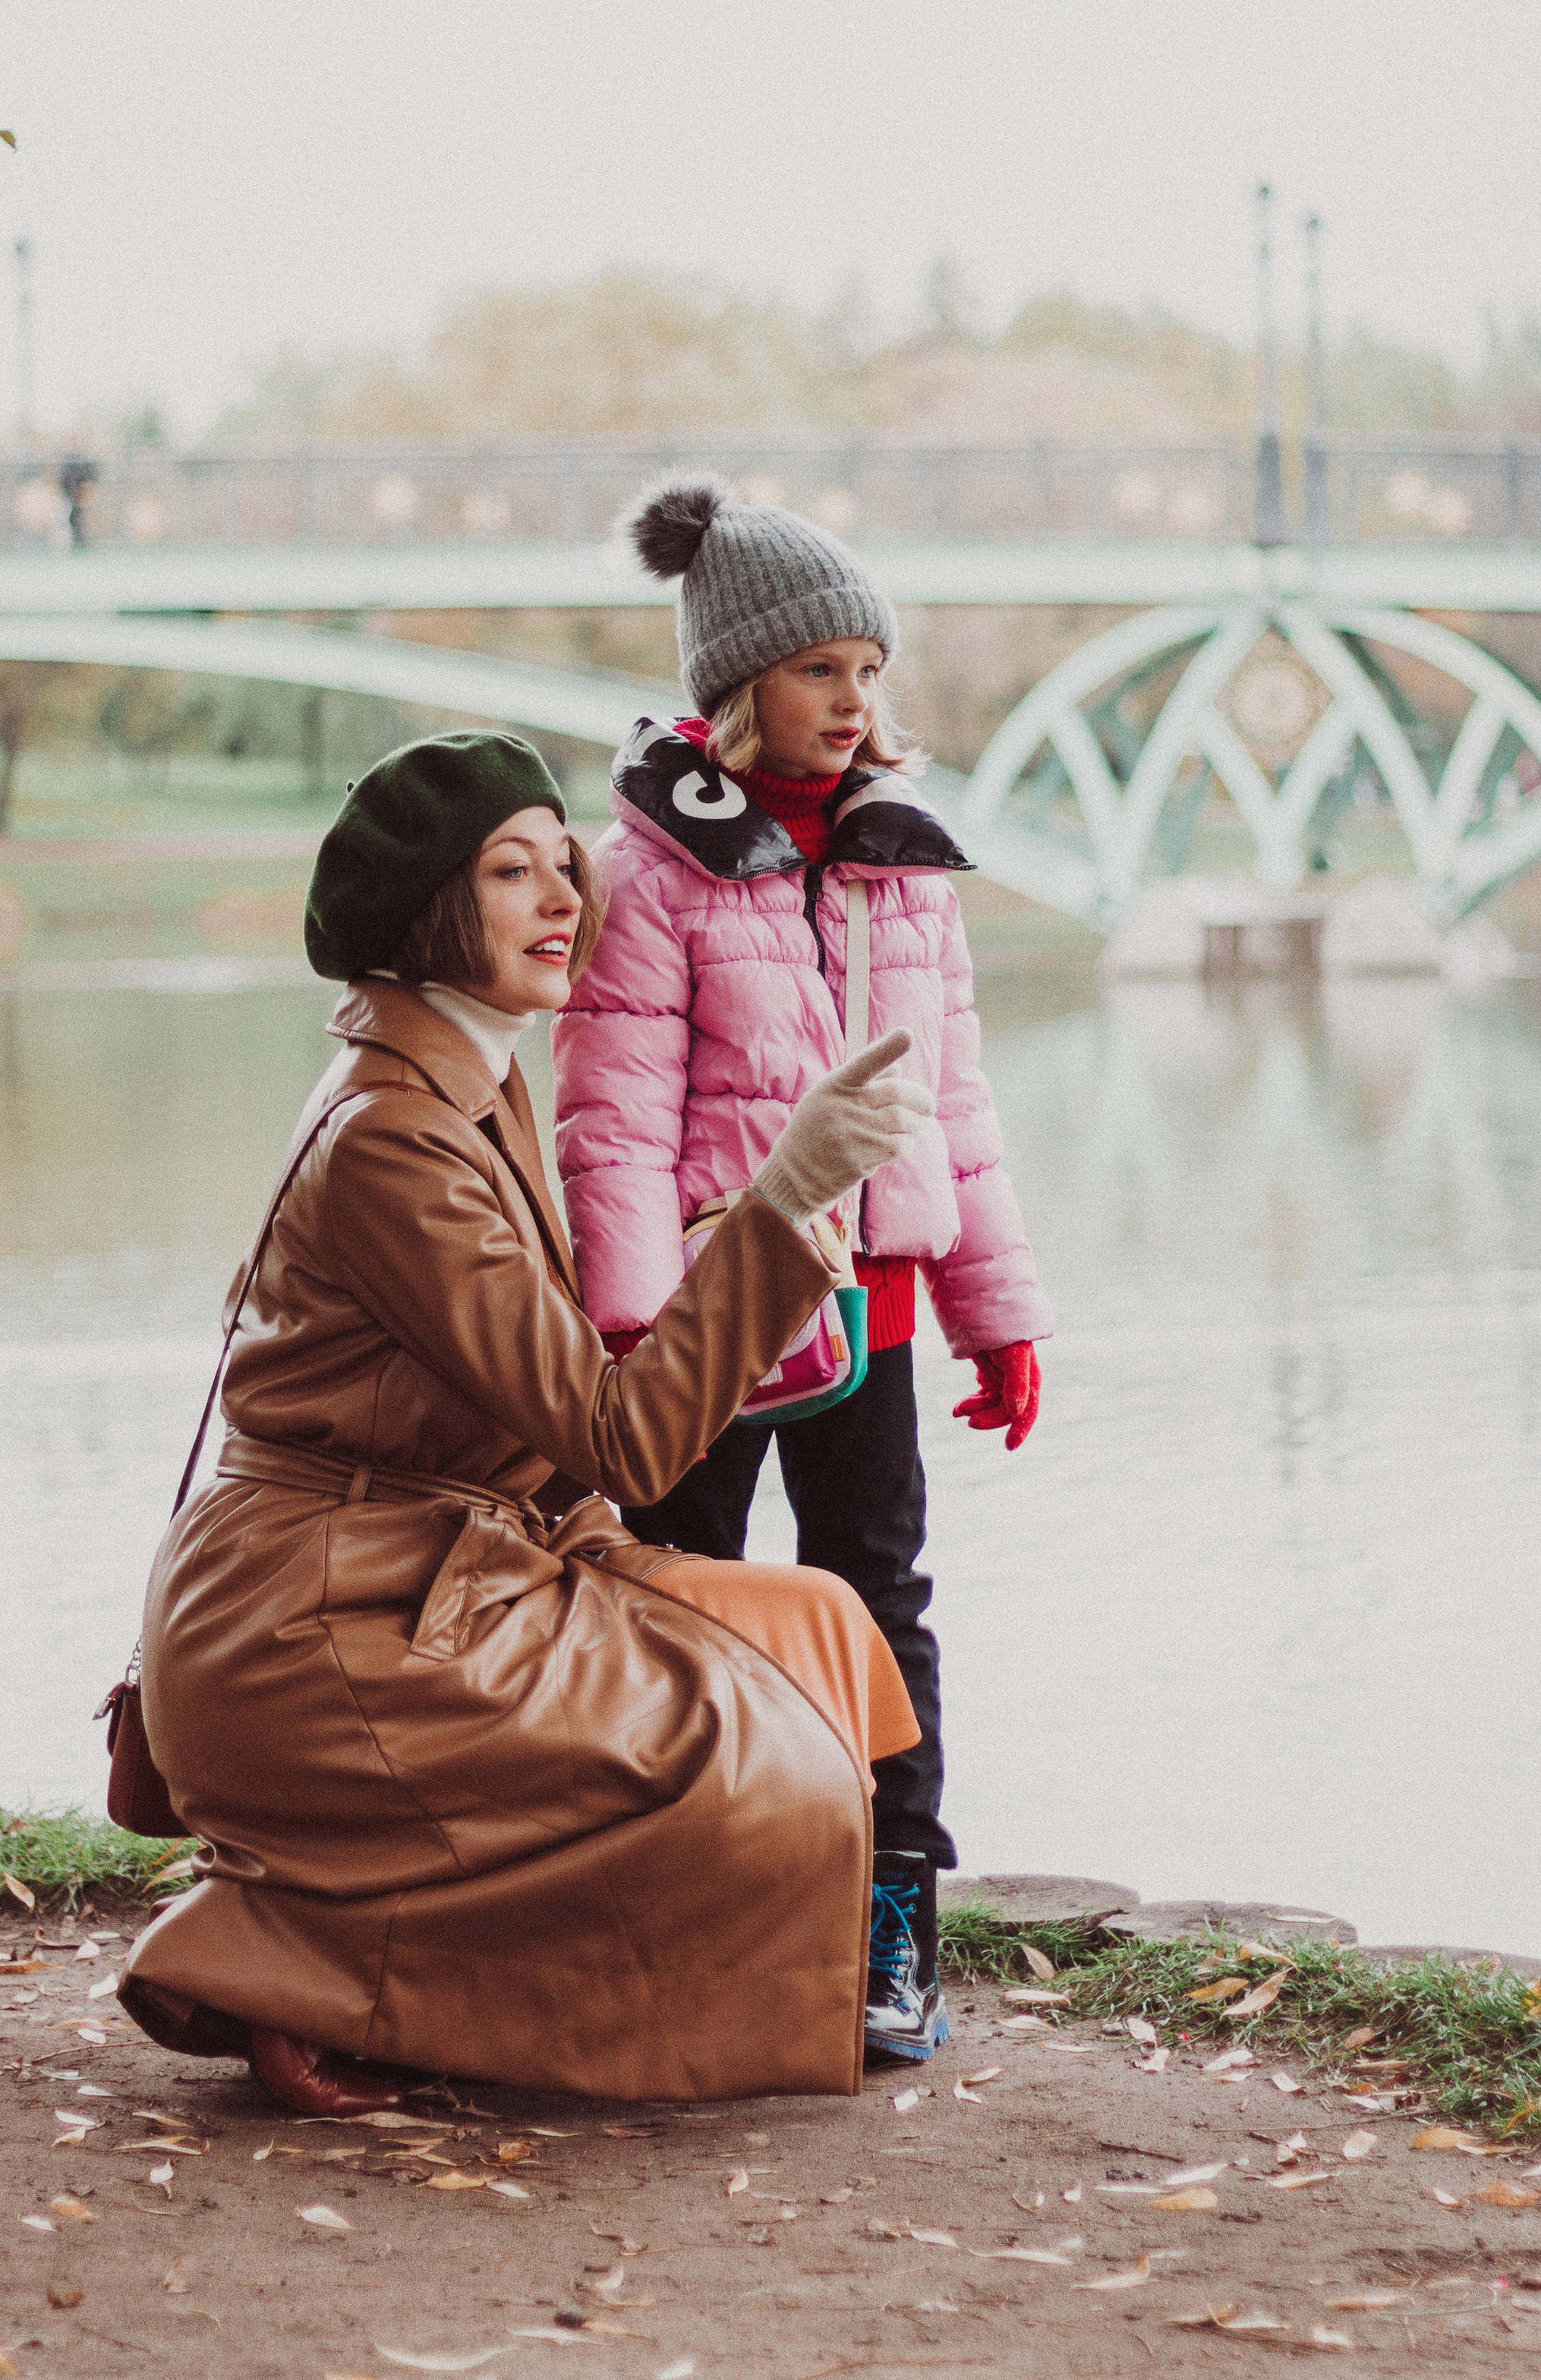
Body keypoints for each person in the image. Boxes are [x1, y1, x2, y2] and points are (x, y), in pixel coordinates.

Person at [118, 727, 932, 2114]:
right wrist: (785, 1200)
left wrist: (751, 1223)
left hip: (411, 1583)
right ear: (426, 906)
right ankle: (289, 1962)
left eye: (565, 861)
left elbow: (551, 1396)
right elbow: (617, 1440)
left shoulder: (466, 1079)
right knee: (745, 1759)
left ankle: (851, 1958)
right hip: (322, 1633)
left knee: (818, 1630)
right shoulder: (393, 1138)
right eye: (513, 870)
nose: (567, 895)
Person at [553, 475, 1055, 2064]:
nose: (853, 699)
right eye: (820, 668)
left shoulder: (903, 863)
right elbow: (614, 1120)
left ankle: (889, 1915)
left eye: (869, 669)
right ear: (735, 684)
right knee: (679, 1602)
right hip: (707, 1320)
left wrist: (993, 1315)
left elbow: (951, 1108)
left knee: (874, 1599)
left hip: (870, 1312)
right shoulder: (650, 873)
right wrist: (637, 1325)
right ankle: (679, 1901)